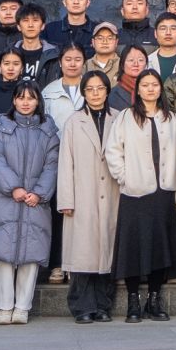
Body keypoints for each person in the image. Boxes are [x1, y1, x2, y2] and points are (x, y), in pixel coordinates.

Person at [105, 71, 176, 323]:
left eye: (154, 85)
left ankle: (154, 298)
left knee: (160, 247)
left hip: (164, 191)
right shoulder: (126, 117)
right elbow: (113, 151)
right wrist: (125, 177)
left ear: (161, 89)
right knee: (133, 246)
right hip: (135, 192)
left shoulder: (171, 119)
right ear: (138, 89)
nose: (150, 89)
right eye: (145, 85)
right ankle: (133, 300)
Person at [0, 81, 59, 324]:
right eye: (21, 97)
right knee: (4, 254)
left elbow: (52, 165)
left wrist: (39, 192)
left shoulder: (48, 131)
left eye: (31, 98)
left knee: (31, 255)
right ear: (14, 100)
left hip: (35, 201)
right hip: (5, 200)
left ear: (38, 101)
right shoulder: (1, 128)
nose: (26, 102)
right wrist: (13, 187)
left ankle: (22, 307)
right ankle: (4, 306)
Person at [57, 70, 123, 324]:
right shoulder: (74, 122)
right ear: (83, 93)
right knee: (83, 254)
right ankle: (82, 307)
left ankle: (103, 305)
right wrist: (66, 200)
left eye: (100, 88)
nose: (95, 94)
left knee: (107, 253)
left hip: (113, 192)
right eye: (90, 89)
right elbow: (66, 163)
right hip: (82, 194)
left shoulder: (119, 118)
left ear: (107, 90)